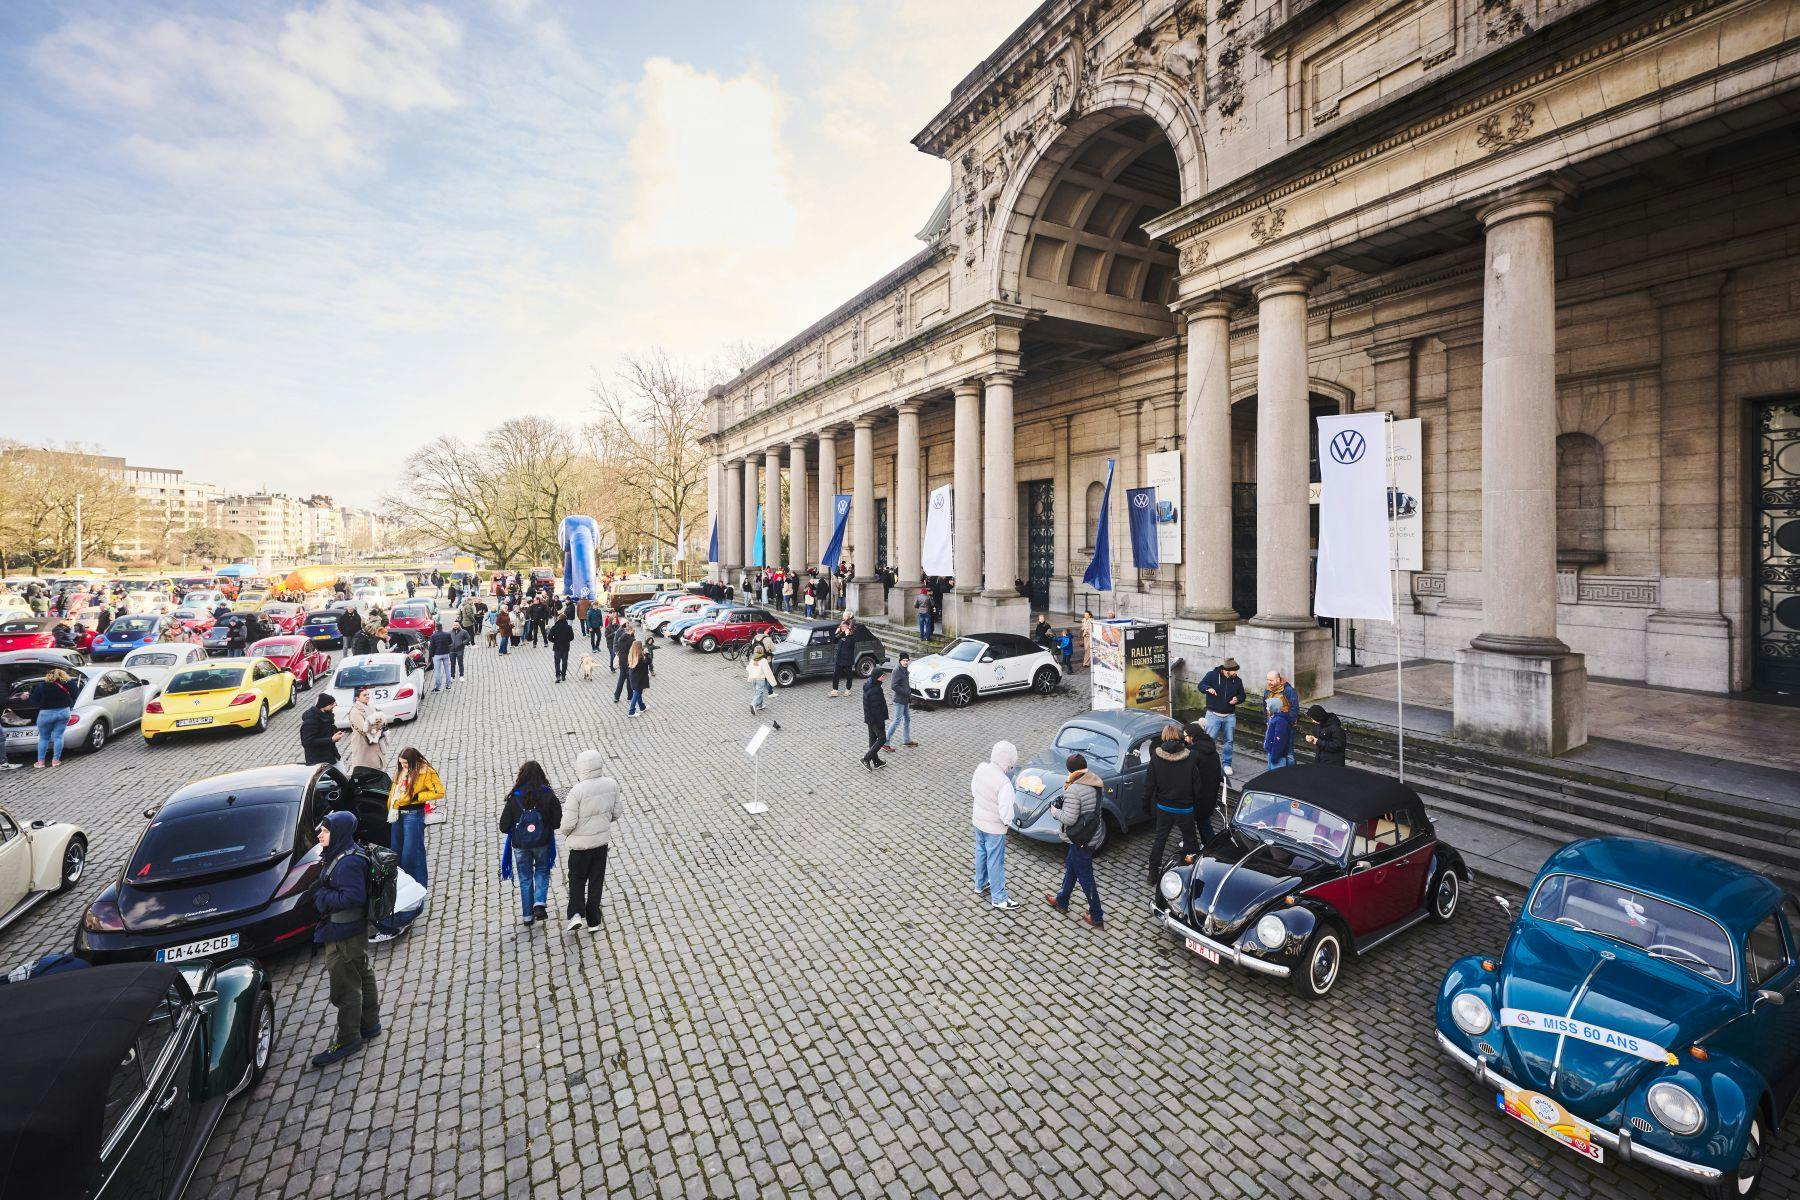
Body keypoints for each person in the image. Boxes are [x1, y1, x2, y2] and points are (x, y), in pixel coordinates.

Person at [310, 809, 380, 1068]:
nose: (320, 834)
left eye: (325, 831)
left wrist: (321, 897)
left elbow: (353, 897)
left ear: (338, 833)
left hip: (345, 933)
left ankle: (348, 1038)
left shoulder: (349, 862)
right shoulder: (344, 852)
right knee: (362, 973)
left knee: (345, 986)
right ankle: (369, 1023)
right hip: (352, 931)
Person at [559, 749, 618, 932]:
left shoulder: (577, 791)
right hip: (600, 843)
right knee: (596, 880)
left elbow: (567, 824)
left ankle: (576, 914)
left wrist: (567, 833)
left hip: (579, 847)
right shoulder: (611, 784)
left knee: (577, 879)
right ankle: (593, 921)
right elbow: (616, 813)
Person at [1044, 752, 1105, 929]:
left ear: (1070, 770)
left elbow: (1069, 819)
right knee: (1071, 867)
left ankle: (1096, 915)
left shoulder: (1075, 789)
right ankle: (1062, 901)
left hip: (1080, 839)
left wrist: (1055, 812)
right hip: (1091, 835)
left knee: (1086, 878)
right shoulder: (1095, 781)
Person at [500, 761, 562, 925]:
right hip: (542, 843)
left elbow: (504, 826)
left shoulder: (515, 797)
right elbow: (557, 822)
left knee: (525, 877)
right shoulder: (548, 794)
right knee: (542, 869)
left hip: (520, 845)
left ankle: (527, 916)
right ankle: (539, 903)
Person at [1142, 722, 1204, 888]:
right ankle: (1192, 872)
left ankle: (1152, 873)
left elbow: (1149, 785)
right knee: (1191, 841)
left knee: (1160, 840)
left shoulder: (1155, 758)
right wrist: (1195, 804)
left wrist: (1146, 805)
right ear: (1178, 736)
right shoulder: (1190, 757)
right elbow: (1197, 786)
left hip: (1164, 807)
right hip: (1185, 807)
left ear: (1164, 737)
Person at [970, 741, 1018, 909]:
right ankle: (999, 898)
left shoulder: (981, 768)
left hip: (978, 819)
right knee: (995, 860)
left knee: (981, 851)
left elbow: (974, 790)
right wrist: (1006, 824)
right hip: (994, 827)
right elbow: (1006, 811)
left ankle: (980, 883)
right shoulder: (1004, 783)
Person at [387, 746, 443, 888]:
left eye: (405, 763)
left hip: (413, 814)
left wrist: (417, 797)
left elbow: (439, 792)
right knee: (396, 850)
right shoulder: (402, 771)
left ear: (413, 761)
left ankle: (418, 886)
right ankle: (401, 885)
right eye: (401, 763)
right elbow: (395, 789)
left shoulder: (426, 772)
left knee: (411, 853)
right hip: (397, 813)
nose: (403, 766)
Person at [1198, 657, 1246, 776]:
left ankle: (1227, 764)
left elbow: (1242, 695)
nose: (1236, 673)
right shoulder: (1212, 675)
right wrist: (1208, 688)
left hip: (1229, 715)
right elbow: (1201, 685)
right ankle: (1206, 763)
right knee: (1209, 741)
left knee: (1229, 741)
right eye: (1234, 671)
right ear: (1226, 670)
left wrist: (1237, 699)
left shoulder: (1237, 681)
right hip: (1213, 715)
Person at [1183, 721, 1226, 840]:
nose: (1185, 739)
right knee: (1204, 821)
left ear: (1192, 736)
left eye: (1186, 736)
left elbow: (1189, 776)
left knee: (1202, 824)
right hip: (1210, 792)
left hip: (1198, 795)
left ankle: (1208, 846)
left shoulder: (1193, 754)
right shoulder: (1211, 750)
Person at [30, 668, 78, 768]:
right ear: (63, 675)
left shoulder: (42, 686)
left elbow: (34, 701)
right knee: (58, 736)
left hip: (46, 714)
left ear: (48, 676)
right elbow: (75, 695)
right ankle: (55, 761)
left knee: (44, 738)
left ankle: (40, 762)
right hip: (64, 712)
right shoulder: (69, 683)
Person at [346, 688, 386, 774]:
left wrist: (380, 722)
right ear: (357, 698)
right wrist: (378, 726)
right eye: (364, 695)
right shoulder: (355, 711)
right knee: (364, 767)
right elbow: (363, 728)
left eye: (368, 694)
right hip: (362, 742)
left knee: (375, 765)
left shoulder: (369, 706)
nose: (367, 696)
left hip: (373, 739)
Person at [301, 693, 344, 765]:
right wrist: (331, 739)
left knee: (341, 775)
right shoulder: (311, 721)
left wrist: (336, 734)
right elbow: (307, 742)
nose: (334, 705)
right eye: (331, 704)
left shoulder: (327, 716)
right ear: (323, 706)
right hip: (319, 762)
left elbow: (326, 732)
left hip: (332, 756)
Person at [884, 653, 916, 749]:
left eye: (907, 660)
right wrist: (906, 692)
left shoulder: (904, 669)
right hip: (899, 700)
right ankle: (885, 742)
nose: (906, 662)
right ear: (900, 661)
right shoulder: (897, 670)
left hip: (905, 700)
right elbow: (894, 686)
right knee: (897, 721)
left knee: (907, 719)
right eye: (904, 661)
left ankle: (907, 740)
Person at [860, 664, 889, 769]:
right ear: (877, 677)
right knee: (882, 739)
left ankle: (876, 761)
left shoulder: (870, 685)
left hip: (869, 718)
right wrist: (881, 722)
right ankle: (866, 758)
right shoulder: (875, 690)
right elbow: (877, 709)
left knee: (872, 740)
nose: (883, 677)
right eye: (882, 676)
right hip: (876, 719)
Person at [746, 645, 780, 726]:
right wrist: (773, 682)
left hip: (753, 679)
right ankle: (753, 704)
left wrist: (751, 677)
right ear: (762, 651)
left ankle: (760, 705)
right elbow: (767, 671)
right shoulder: (763, 660)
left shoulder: (753, 658)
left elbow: (748, 668)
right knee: (759, 692)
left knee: (757, 692)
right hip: (760, 679)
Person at [829, 618, 858, 697]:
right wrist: (836, 632)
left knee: (849, 676)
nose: (843, 628)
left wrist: (848, 635)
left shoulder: (852, 636)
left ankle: (848, 690)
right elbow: (833, 640)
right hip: (839, 658)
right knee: (836, 675)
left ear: (848, 626)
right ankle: (835, 690)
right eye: (842, 626)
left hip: (847, 659)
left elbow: (849, 645)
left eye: (844, 626)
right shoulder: (841, 634)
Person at [1264, 695, 1295, 769]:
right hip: (1273, 752)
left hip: (1277, 755)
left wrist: (1275, 757)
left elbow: (1279, 741)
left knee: (1276, 777)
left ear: (1273, 707)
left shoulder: (1280, 721)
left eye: (1268, 706)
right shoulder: (1276, 718)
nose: (1266, 708)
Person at [625, 635, 650, 715]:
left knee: (638, 692)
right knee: (637, 693)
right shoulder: (640, 657)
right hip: (639, 678)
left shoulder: (632, 655)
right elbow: (648, 662)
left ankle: (642, 707)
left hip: (633, 677)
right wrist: (646, 654)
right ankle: (631, 711)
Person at [547, 613, 575, 683]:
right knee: (565, 661)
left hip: (557, 647)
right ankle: (563, 675)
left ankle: (557, 675)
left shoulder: (554, 627)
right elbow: (572, 637)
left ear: (559, 619)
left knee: (557, 662)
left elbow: (549, 637)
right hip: (565, 647)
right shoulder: (568, 627)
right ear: (565, 619)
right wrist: (566, 640)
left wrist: (555, 641)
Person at [611, 625, 635, 704]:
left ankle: (616, 696)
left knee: (621, 680)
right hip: (628, 662)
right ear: (630, 631)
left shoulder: (620, 639)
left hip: (622, 661)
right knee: (629, 679)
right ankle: (630, 696)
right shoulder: (632, 640)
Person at [428, 627, 454, 692]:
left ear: (436, 629)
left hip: (437, 655)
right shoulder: (447, 634)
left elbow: (431, 647)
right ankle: (448, 686)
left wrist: (431, 656)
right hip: (446, 654)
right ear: (442, 628)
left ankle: (438, 687)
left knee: (437, 671)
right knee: (447, 670)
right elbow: (451, 643)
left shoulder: (433, 636)